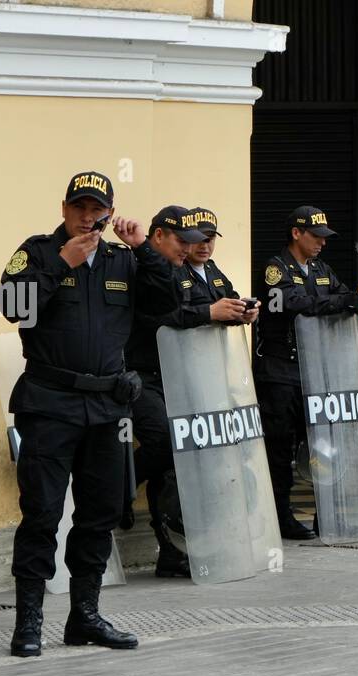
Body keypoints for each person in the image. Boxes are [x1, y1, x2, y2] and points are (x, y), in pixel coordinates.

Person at [0, 171, 179, 658]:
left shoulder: (124, 259)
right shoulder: (37, 252)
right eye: (77, 206)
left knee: (97, 516)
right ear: (63, 209)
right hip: (50, 403)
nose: (85, 215)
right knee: (42, 515)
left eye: (94, 207)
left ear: (108, 211)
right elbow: (13, 307)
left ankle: (85, 616)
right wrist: (61, 264)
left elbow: (170, 301)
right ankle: (29, 622)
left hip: (108, 407)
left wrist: (144, 248)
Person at [125, 205, 253, 576]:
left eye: (196, 241)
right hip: (138, 373)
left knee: (178, 462)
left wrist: (238, 311)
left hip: (181, 373)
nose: (191, 248)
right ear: (159, 236)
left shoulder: (182, 268)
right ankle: (119, 490)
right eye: (183, 241)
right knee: (166, 441)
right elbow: (163, 316)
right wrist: (207, 313)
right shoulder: (139, 266)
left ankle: (171, 549)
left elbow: (202, 306)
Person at [254, 205, 358, 540]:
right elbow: (293, 302)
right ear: (297, 233)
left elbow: (340, 294)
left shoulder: (322, 269)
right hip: (280, 373)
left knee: (324, 446)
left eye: (325, 237)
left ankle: (329, 517)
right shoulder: (276, 269)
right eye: (316, 236)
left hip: (317, 373)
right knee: (280, 450)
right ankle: (282, 519)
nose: (322, 243)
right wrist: (344, 302)